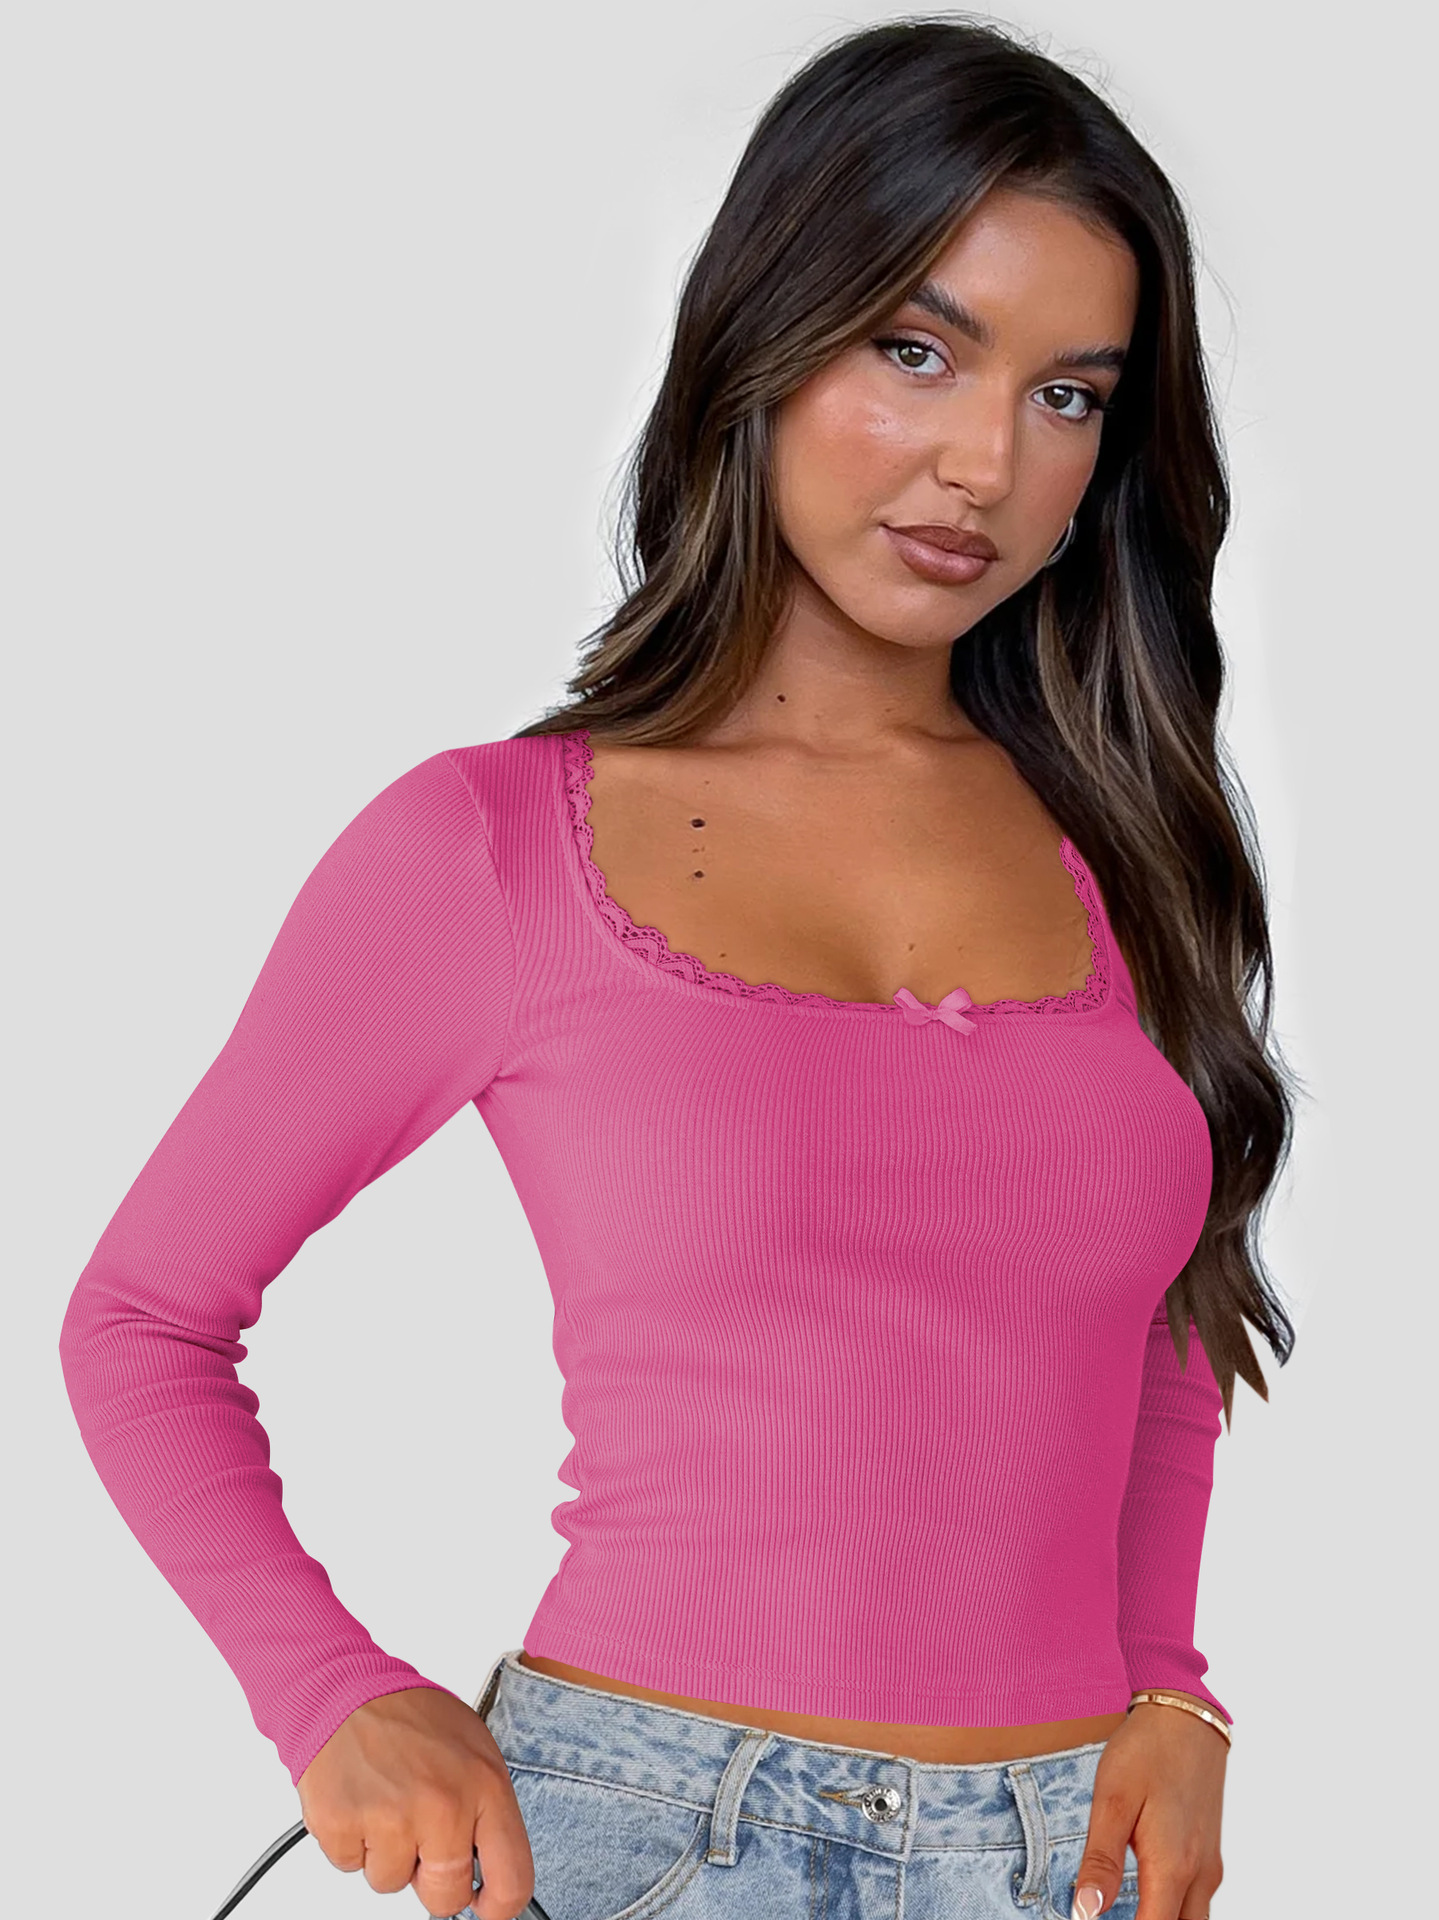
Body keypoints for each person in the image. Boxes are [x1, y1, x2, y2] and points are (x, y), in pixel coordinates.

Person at [58, 17, 1295, 1920]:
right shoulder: (493, 848)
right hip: (648, 1840)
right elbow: (143, 1318)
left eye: (1069, 396)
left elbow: (1159, 1328)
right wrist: (329, 1696)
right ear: (767, 338)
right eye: (918, 349)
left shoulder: (1128, 846)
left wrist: (1171, 1687)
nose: (985, 459)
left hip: (1067, 1860)